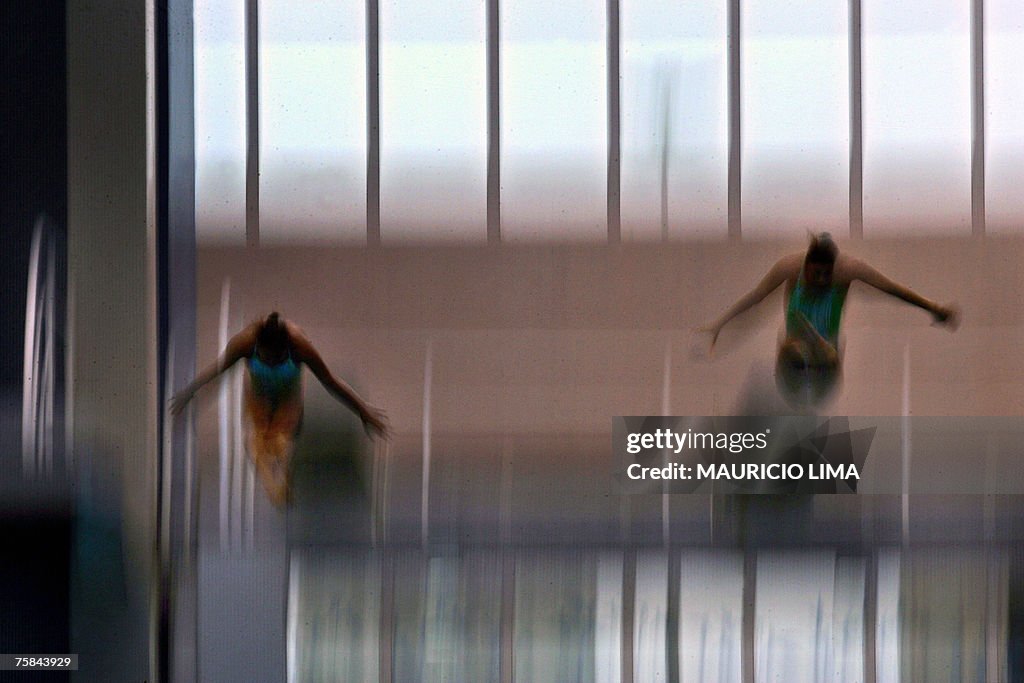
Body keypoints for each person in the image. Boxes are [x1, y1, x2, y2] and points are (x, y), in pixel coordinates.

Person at [700, 233, 959, 406]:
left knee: (823, 368)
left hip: (828, 357)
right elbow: (757, 298)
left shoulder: (847, 271)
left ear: (833, 268)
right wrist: (720, 324)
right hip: (794, 353)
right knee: (793, 352)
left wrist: (933, 307)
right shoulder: (790, 268)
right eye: (815, 274)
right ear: (806, 266)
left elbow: (893, 290)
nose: (821, 280)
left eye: (827, 274)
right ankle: (806, 347)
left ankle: (820, 349)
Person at [170, 312, 389, 507]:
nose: (273, 362)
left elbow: (330, 381)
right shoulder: (245, 343)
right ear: (259, 347)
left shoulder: (300, 346)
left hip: (288, 394)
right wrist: (191, 394)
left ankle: (284, 477)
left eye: (278, 359)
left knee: (282, 438)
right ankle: (274, 484)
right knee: (258, 440)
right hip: (258, 394)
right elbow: (217, 374)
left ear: (286, 349)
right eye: (268, 358)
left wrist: (363, 411)